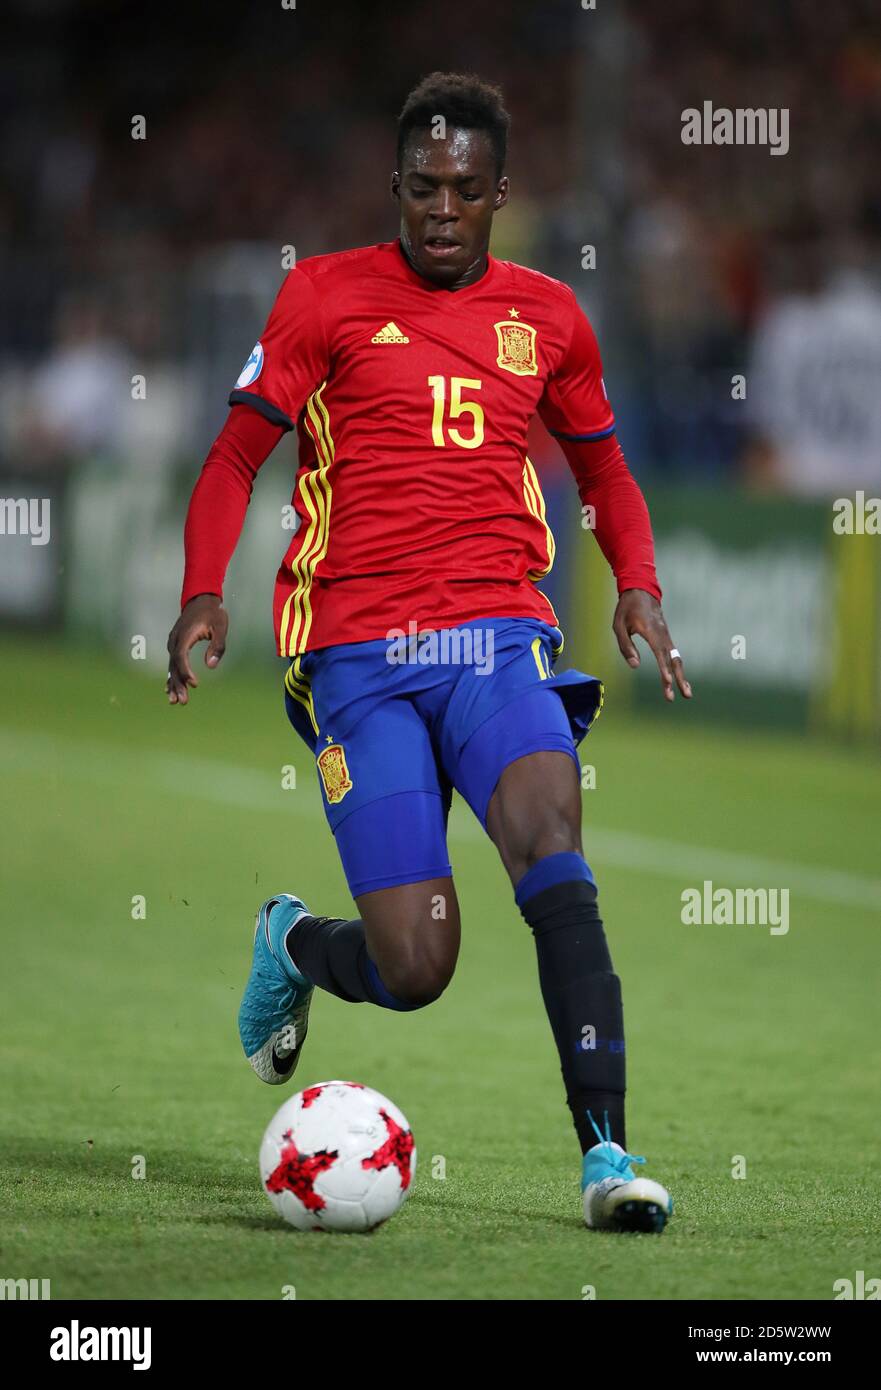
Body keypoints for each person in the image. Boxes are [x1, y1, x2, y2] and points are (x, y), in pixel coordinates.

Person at [166, 73, 691, 1233]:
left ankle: (606, 1154)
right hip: (356, 650)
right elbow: (230, 456)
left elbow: (603, 472)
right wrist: (203, 592)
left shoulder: (549, 315)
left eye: (463, 190)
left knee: (554, 845)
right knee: (416, 965)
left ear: (500, 192)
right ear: (393, 187)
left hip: (496, 636)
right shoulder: (321, 296)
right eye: (420, 189)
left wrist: (638, 584)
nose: (441, 211)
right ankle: (292, 940)